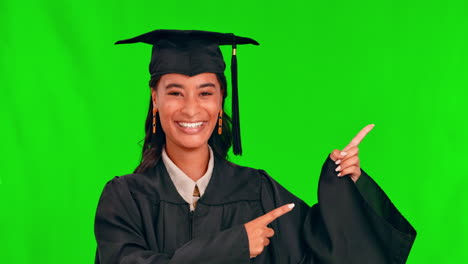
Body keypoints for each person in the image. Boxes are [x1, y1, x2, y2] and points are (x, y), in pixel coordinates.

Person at [94, 29, 416, 264]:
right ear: (155, 99)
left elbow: (326, 254)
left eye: (205, 93)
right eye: (175, 92)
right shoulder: (125, 199)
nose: (191, 109)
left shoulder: (258, 192)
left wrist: (347, 184)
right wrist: (235, 246)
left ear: (221, 100)